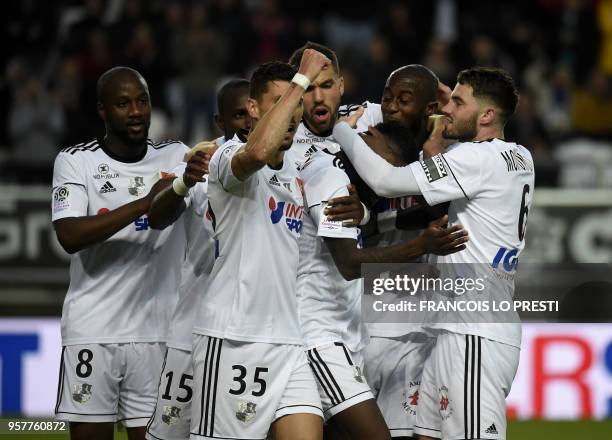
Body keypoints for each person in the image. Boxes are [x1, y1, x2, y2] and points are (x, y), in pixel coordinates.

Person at [334, 67, 534, 440]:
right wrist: (454, 104)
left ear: (487, 115)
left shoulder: (477, 160)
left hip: (476, 332)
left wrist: (341, 128)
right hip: (451, 328)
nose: (447, 110)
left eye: (458, 103)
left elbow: (386, 181)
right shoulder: (520, 156)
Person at [288, 43, 468, 439]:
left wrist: (371, 213)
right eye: (308, 88)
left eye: (328, 86)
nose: (391, 108)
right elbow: (350, 254)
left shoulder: (433, 143)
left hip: (392, 323)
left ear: (341, 85)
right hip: (327, 323)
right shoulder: (318, 145)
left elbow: (457, 102)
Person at [175, 52, 328, 440]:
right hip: (234, 338)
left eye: (295, 103)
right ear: (253, 108)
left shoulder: (296, 169)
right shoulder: (227, 157)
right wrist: (300, 81)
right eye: (278, 103)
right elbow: (257, 152)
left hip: (289, 341)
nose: (292, 112)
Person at [52, 66, 189, 440]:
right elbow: (69, 234)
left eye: (142, 101)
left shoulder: (176, 156)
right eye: (123, 103)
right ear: (102, 110)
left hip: (158, 334)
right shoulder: (75, 161)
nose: (136, 112)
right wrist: (142, 204)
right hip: (93, 331)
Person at [144, 78, 251, 440]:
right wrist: (183, 183)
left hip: (251, 336)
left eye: (254, 111)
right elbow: (156, 216)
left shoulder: (282, 165)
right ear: (220, 122)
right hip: (192, 328)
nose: (249, 121)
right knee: (170, 434)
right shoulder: (199, 162)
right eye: (239, 114)